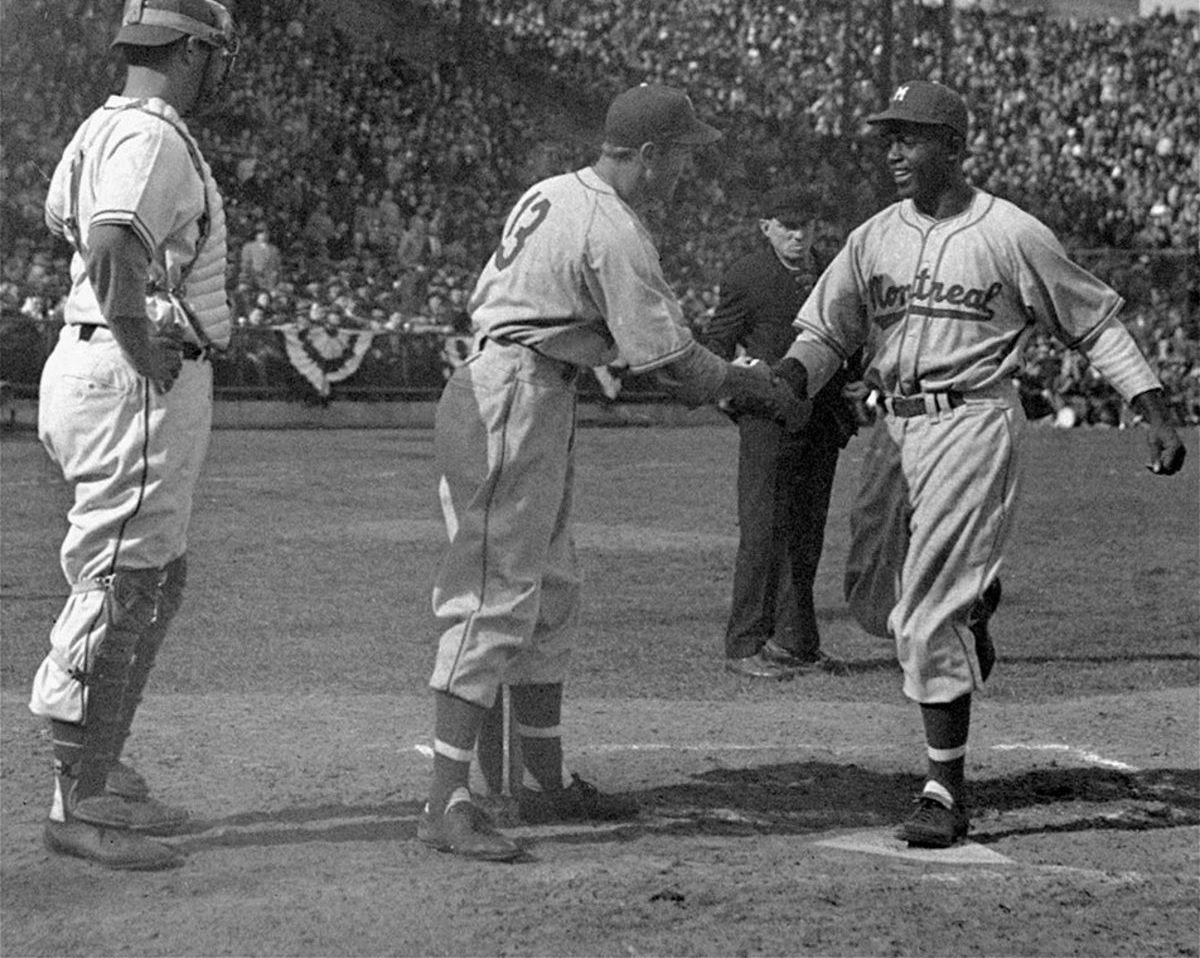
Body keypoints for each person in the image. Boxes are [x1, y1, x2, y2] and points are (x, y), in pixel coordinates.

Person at [771, 80, 1187, 848]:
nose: (894, 150)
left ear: (955, 147)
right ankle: (977, 601)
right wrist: (788, 379)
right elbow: (826, 331)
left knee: (927, 617)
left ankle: (943, 790)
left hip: (972, 417)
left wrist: (1153, 407)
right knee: (874, 603)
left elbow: (1093, 323)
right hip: (892, 426)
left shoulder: (1013, 233)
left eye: (911, 136)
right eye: (889, 137)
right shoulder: (873, 237)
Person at [420, 84, 806, 862]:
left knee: (551, 588)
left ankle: (543, 780)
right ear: (650, 154)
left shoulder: (555, 190)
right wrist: (756, 384)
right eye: (683, 156)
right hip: (513, 393)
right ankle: (445, 801)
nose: (686, 173)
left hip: (531, 386)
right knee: (495, 593)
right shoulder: (612, 225)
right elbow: (670, 361)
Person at [30, 0, 239, 870]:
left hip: (101, 365)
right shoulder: (151, 135)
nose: (215, 70)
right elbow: (113, 244)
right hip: (130, 375)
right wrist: (138, 342)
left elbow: (70, 226)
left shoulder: (100, 124)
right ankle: (77, 803)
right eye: (212, 55)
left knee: (153, 574)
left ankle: (100, 773)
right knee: (121, 580)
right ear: (188, 50)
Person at [704, 185, 862, 680]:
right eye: (786, 225)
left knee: (806, 534)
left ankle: (796, 641)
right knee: (762, 533)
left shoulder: (834, 269)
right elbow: (715, 344)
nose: (797, 235)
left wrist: (856, 379)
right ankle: (745, 644)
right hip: (767, 420)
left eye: (806, 225)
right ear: (765, 227)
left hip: (823, 417)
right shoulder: (747, 275)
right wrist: (741, 375)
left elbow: (851, 332)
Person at [239, 221, 283, 292]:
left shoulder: (274, 249)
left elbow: (278, 267)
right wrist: (243, 281)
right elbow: (245, 266)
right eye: (260, 232)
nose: (264, 235)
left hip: (270, 282)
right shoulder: (248, 247)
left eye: (266, 232)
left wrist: (278, 281)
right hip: (253, 281)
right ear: (256, 234)